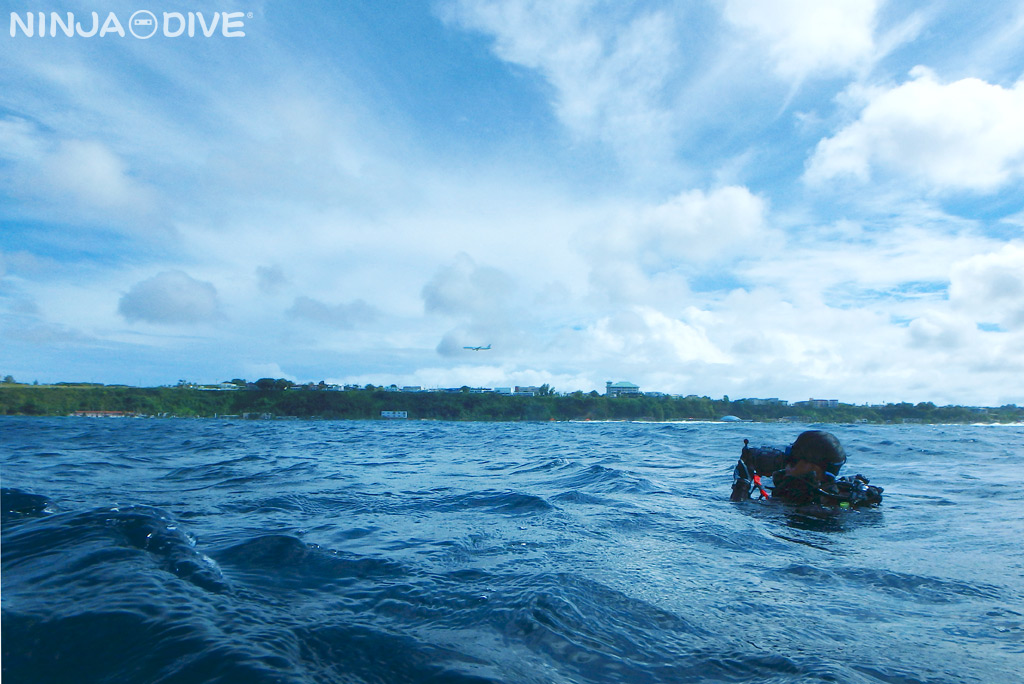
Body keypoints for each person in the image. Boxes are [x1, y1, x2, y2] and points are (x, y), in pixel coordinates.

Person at [731, 430, 847, 502]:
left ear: (815, 471)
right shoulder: (836, 494)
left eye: (793, 459)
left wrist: (742, 483)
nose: (787, 463)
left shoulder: (802, 504)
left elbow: (742, 509)